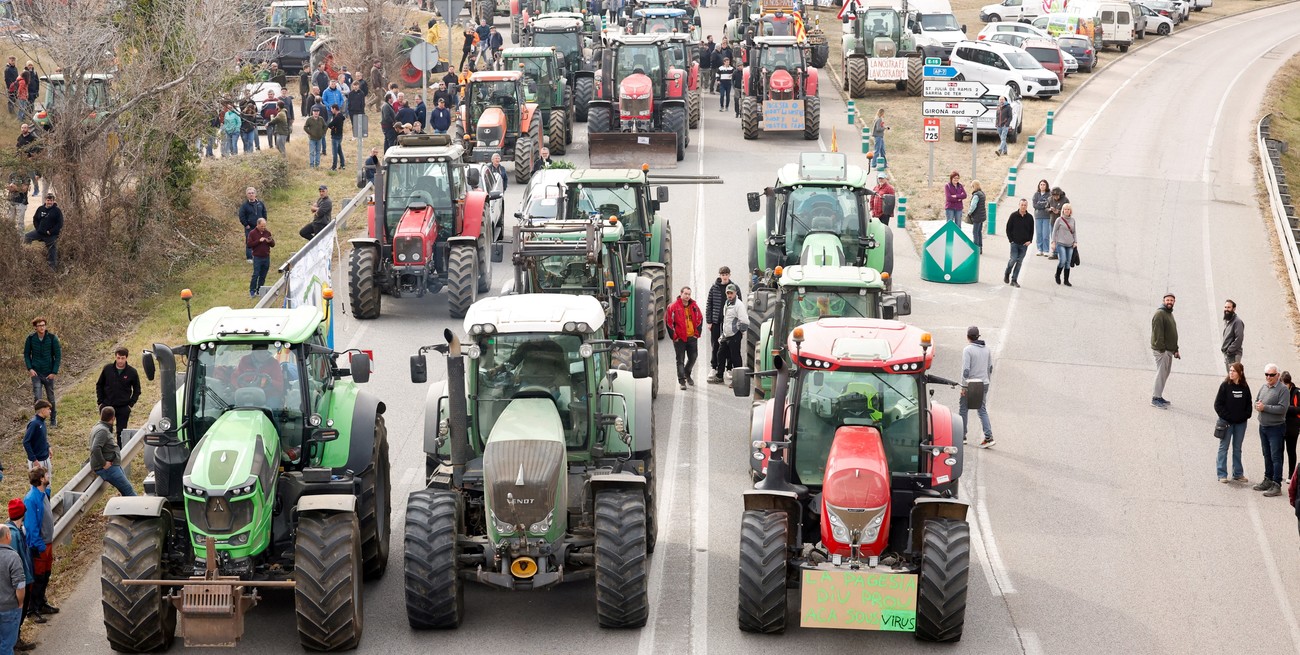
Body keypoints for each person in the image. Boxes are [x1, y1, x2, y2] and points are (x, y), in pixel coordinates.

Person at [22, 468, 55, 622]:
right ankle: (32, 610)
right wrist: (40, 546)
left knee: (46, 575)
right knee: (38, 578)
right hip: (40, 546)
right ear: (41, 479)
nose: (48, 476)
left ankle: (41, 603)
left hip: (47, 543)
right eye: (46, 475)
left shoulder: (43, 494)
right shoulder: (31, 499)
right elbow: (31, 527)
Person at [95, 347, 141, 445]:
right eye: (118, 358)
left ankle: (121, 452)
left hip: (123, 407)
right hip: (107, 405)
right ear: (115, 357)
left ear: (126, 358)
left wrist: (130, 404)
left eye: (122, 358)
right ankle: (106, 450)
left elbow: (137, 390)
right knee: (105, 431)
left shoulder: (132, 372)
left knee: (121, 433)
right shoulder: (107, 369)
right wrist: (100, 402)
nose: (120, 361)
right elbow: (99, 385)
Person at [1254, 364, 1288, 497]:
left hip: (1276, 428)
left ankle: (1276, 484)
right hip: (1263, 427)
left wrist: (1265, 407)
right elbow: (1257, 400)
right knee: (1266, 454)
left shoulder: (1283, 390)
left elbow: (1282, 409)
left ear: (1278, 375)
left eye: (1271, 375)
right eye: (1266, 374)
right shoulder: (1264, 387)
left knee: (1276, 456)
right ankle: (1267, 479)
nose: (1268, 377)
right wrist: (1257, 405)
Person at [1215, 362, 1252, 483]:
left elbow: (1249, 404)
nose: (1231, 373)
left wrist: (1245, 416)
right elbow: (1218, 405)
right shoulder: (1225, 386)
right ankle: (1222, 474)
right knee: (1223, 447)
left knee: (1237, 448)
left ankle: (1238, 474)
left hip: (1241, 423)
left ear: (1240, 373)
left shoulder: (1245, 387)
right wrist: (1228, 417)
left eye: (1234, 371)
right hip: (1227, 422)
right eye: (1230, 370)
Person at [5, 501, 35, 649]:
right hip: (20, 582)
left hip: (22, 579)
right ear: (23, 514)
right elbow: (15, 564)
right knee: (19, 612)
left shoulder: (13, 530)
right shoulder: (14, 535)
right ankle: (14, 641)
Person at [90, 407, 136, 497]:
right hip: (108, 468)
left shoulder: (98, 427)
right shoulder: (103, 431)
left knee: (126, 491)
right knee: (129, 492)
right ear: (113, 418)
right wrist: (103, 463)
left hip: (112, 466)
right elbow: (95, 448)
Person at [23, 318, 60, 428]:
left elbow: (58, 356)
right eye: (39, 325)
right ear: (35, 327)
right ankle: (38, 421)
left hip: (49, 373)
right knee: (38, 398)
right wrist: (30, 368)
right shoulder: (30, 339)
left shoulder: (52, 338)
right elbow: (26, 354)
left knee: (51, 398)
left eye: (43, 325)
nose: (42, 327)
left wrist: (54, 372)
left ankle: (53, 418)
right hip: (36, 373)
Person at [961, 326, 994, 448]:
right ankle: (988, 437)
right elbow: (990, 368)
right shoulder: (987, 349)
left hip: (971, 384)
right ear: (978, 336)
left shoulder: (968, 350)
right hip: (984, 383)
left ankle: (962, 436)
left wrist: (963, 386)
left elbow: (966, 371)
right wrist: (987, 382)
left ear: (968, 337)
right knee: (982, 409)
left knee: (963, 408)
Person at [666, 287, 704, 390]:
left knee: (693, 357)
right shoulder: (673, 306)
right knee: (680, 360)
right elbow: (669, 322)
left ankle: (687, 373)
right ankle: (682, 381)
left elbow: (700, 319)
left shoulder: (694, 306)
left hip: (692, 338)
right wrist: (674, 337)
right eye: (686, 294)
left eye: (689, 294)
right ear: (681, 293)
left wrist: (697, 334)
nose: (687, 296)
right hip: (680, 339)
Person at [711, 284, 747, 385]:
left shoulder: (739, 305)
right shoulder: (727, 303)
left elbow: (744, 320)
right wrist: (723, 334)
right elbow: (726, 320)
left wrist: (740, 331)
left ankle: (738, 381)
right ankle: (719, 376)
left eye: (731, 293)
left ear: (735, 293)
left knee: (735, 357)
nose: (729, 295)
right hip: (726, 335)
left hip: (734, 335)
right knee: (720, 354)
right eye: (728, 293)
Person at [705, 267, 736, 379]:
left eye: (726, 274)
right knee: (715, 345)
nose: (725, 277)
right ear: (720, 275)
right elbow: (709, 304)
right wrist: (709, 321)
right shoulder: (714, 288)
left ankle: (729, 368)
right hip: (716, 321)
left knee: (728, 345)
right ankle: (714, 367)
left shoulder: (734, 288)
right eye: (723, 275)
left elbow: (739, 304)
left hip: (729, 322)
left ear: (729, 275)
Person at [0, 524, 26, 654]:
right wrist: (20, 602)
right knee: (7, 644)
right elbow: (20, 585)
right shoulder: (13, 557)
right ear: (7, 536)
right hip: (9, 608)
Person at [1149, 293, 1178, 408]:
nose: (1169, 302)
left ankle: (1159, 396)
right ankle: (1155, 398)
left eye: (1171, 300)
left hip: (1168, 350)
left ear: (1174, 302)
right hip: (1162, 350)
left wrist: (1175, 349)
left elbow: (1172, 333)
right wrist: (1162, 350)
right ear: (1163, 301)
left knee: (1165, 373)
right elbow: (1158, 334)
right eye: (1167, 300)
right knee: (1161, 374)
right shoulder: (1160, 314)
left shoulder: (1169, 313)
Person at [23, 192, 62, 269]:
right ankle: (27, 257)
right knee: (27, 237)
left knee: (52, 248)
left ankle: (52, 267)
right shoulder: (40, 209)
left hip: (50, 234)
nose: (49, 202)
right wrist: (38, 229)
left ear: (53, 201)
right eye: (48, 200)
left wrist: (51, 232)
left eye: (51, 201)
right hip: (40, 232)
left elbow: (60, 224)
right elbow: (35, 219)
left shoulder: (57, 211)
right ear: (45, 200)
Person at [1004, 198, 1033, 288]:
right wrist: (1011, 240)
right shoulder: (1013, 216)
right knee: (1013, 259)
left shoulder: (1030, 217)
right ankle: (1007, 272)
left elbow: (1032, 230)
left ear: (1027, 206)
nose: (1023, 207)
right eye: (1022, 205)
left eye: (1025, 205)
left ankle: (1014, 280)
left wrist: (1030, 240)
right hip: (1015, 243)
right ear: (1019, 205)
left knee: (1019, 262)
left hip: (1024, 244)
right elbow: (1008, 228)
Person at [22, 401, 51, 479]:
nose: (50, 411)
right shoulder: (34, 424)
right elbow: (26, 442)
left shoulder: (42, 422)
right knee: (37, 483)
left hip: (45, 458)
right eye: (48, 409)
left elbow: (42, 437)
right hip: (37, 462)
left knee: (47, 482)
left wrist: (48, 447)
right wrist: (34, 460)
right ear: (42, 410)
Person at [248, 217, 275, 297]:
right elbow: (249, 245)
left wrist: (270, 241)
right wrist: (258, 241)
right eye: (262, 226)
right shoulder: (252, 233)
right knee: (256, 274)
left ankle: (259, 290)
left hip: (266, 257)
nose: (263, 228)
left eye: (264, 226)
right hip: (257, 257)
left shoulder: (267, 233)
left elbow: (273, 244)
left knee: (263, 275)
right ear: (257, 225)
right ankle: (252, 290)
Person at [1051, 203, 1077, 286]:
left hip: (1070, 244)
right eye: (1065, 209)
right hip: (1060, 243)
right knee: (1063, 260)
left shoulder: (1073, 220)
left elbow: (1074, 232)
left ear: (1070, 211)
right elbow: (1054, 231)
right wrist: (1053, 242)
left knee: (1068, 262)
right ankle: (1057, 275)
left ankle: (1066, 280)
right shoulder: (1059, 220)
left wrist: (1075, 242)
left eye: (1068, 209)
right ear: (1063, 210)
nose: (1067, 211)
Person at [238, 187, 267, 263]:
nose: (251, 194)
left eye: (252, 193)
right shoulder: (244, 205)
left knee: (261, 240)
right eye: (249, 193)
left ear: (255, 194)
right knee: (250, 241)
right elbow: (241, 216)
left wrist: (264, 222)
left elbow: (264, 212)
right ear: (247, 195)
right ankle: (249, 258)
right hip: (249, 227)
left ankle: (259, 256)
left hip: (260, 226)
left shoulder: (260, 204)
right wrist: (246, 225)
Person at [1283, 371, 1299, 483]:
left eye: (1286, 384)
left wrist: (1286, 408)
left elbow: (1298, 409)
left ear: (1289, 383)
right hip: (1280, 425)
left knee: (1291, 451)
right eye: (1283, 384)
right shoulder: (1279, 391)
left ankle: (1291, 475)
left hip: (1293, 427)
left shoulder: (1297, 392)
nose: (1284, 386)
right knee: (1278, 451)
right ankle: (1278, 474)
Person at [1045, 186, 1069, 260]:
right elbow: (1046, 208)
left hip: (1062, 222)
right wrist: (1050, 209)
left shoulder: (1065, 200)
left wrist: (1059, 212)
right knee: (1053, 238)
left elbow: (1068, 210)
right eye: (1054, 196)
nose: (1055, 197)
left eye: (1057, 195)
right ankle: (1055, 253)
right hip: (1053, 221)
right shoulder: (1050, 199)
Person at [1221, 299, 1244, 370]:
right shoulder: (1227, 320)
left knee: (1234, 375)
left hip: (1233, 355)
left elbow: (1239, 339)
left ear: (1234, 309)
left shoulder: (1237, 322)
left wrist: (1229, 350)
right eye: (1225, 307)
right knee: (1230, 375)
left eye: (1229, 307)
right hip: (1228, 354)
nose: (1226, 309)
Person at [1031, 179, 1052, 256]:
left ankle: (1046, 250)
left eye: (1044, 185)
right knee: (1039, 234)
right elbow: (1035, 205)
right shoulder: (1036, 195)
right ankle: (1040, 249)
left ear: (1046, 186)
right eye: (1041, 184)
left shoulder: (1049, 195)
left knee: (1045, 234)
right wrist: (1043, 206)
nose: (1042, 186)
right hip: (1038, 217)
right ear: (1039, 186)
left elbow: (1048, 205)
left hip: (1047, 217)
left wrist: (1041, 205)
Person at [966, 180, 986, 252]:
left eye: (972, 186)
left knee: (975, 232)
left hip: (977, 216)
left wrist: (969, 213)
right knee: (979, 232)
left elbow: (973, 206)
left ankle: (976, 248)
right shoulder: (982, 193)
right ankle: (980, 247)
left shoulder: (976, 195)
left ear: (974, 186)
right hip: (982, 216)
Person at [328, 105, 346, 171]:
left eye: (332, 109)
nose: (331, 110)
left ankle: (334, 167)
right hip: (340, 136)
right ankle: (342, 165)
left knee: (335, 152)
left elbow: (330, 124)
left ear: (335, 109)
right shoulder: (340, 116)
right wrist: (333, 127)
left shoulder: (337, 117)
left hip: (335, 136)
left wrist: (332, 127)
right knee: (339, 151)